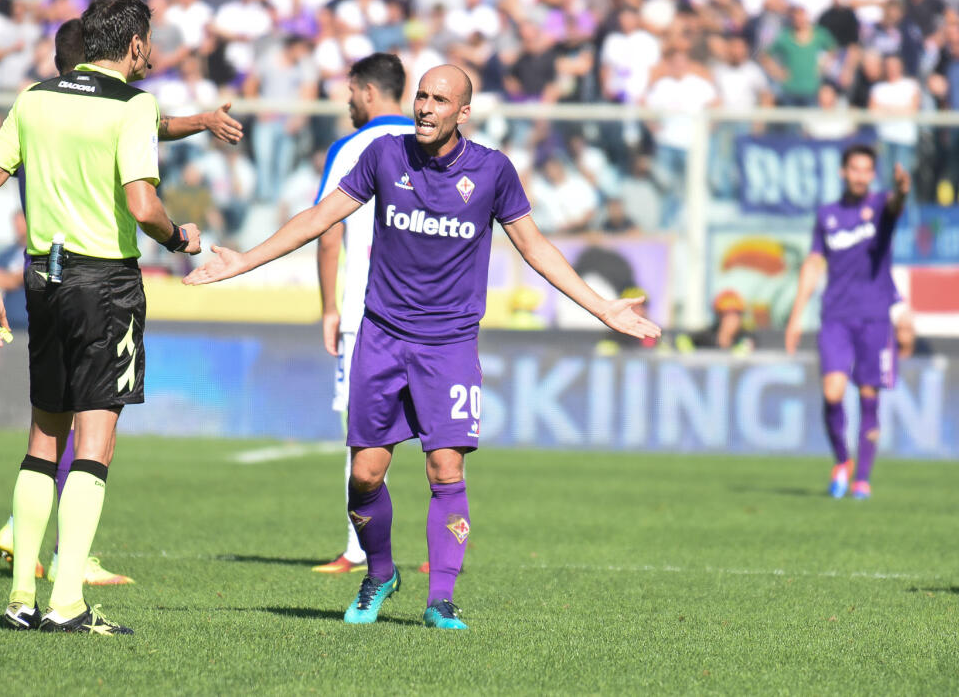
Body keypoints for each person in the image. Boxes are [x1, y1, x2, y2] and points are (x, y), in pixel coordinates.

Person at [185, 64, 659, 629]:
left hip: (450, 344)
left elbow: (535, 247)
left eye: (441, 100)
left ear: (464, 112)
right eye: (422, 96)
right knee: (364, 474)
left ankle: (441, 599)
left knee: (444, 467)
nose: (426, 108)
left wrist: (602, 308)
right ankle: (380, 573)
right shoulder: (385, 156)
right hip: (382, 336)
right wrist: (242, 259)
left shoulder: (492, 171)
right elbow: (319, 218)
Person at [0, 17, 243, 591]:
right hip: (105, 285)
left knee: (42, 441)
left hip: (42, 283)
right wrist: (181, 239)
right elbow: (144, 205)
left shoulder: (34, 99)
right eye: (148, 41)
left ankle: (23, 596)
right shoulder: (133, 104)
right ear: (133, 44)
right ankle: (69, 599)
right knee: (95, 444)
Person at [311, 53, 415, 576]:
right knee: (443, 437)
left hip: (365, 313)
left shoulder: (352, 146)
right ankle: (445, 550)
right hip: (433, 316)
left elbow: (328, 230)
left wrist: (328, 306)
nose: (348, 102)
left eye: (350, 92)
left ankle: (357, 552)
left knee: (362, 433)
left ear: (368, 91)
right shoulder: (431, 140)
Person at [784, 145, 910, 501]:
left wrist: (902, 190)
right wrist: (795, 316)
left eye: (866, 170)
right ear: (843, 172)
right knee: (832, 393)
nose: (859, 175)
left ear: (873, 174)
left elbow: (898, 204)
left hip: (874, 317)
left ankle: (862, 480)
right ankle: (842, 460)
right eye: (853, 169)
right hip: (835, 317)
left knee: (869, 395)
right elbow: (812, 264)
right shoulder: (827, 215)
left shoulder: (882, 206)